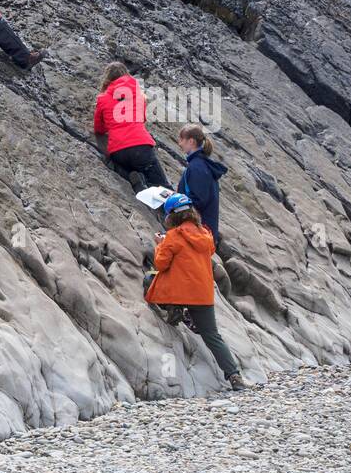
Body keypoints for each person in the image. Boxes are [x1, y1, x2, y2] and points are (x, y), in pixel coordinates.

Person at [145, 193, 245, 390]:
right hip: (202, 294)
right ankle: (234, 376)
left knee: (150, 279)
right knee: (212, 335)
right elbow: (198, 251)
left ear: (171, 216)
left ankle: (175, 309)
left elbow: (161, 264)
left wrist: (160, 245)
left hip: (179, 292)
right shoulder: (205, 235)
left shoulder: (173, 236)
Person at [93, 62, 170, 190]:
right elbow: (142, 118)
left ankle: (132, 177)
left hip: (118, 151)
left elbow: (99, 128)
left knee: (119, 165)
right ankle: (166, 202)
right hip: (141, 146)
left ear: (108, 78)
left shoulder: (102, 99)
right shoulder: (139, 95)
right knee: (162, 185)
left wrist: (113, 124)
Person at [176, 123, 227, 245]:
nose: (179, 143)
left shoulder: (197, 167)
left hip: (198, 232)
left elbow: (198, 201)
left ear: (191, 141)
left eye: (182, 139)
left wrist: (174, 202)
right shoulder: (201, 165)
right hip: (202, 232)